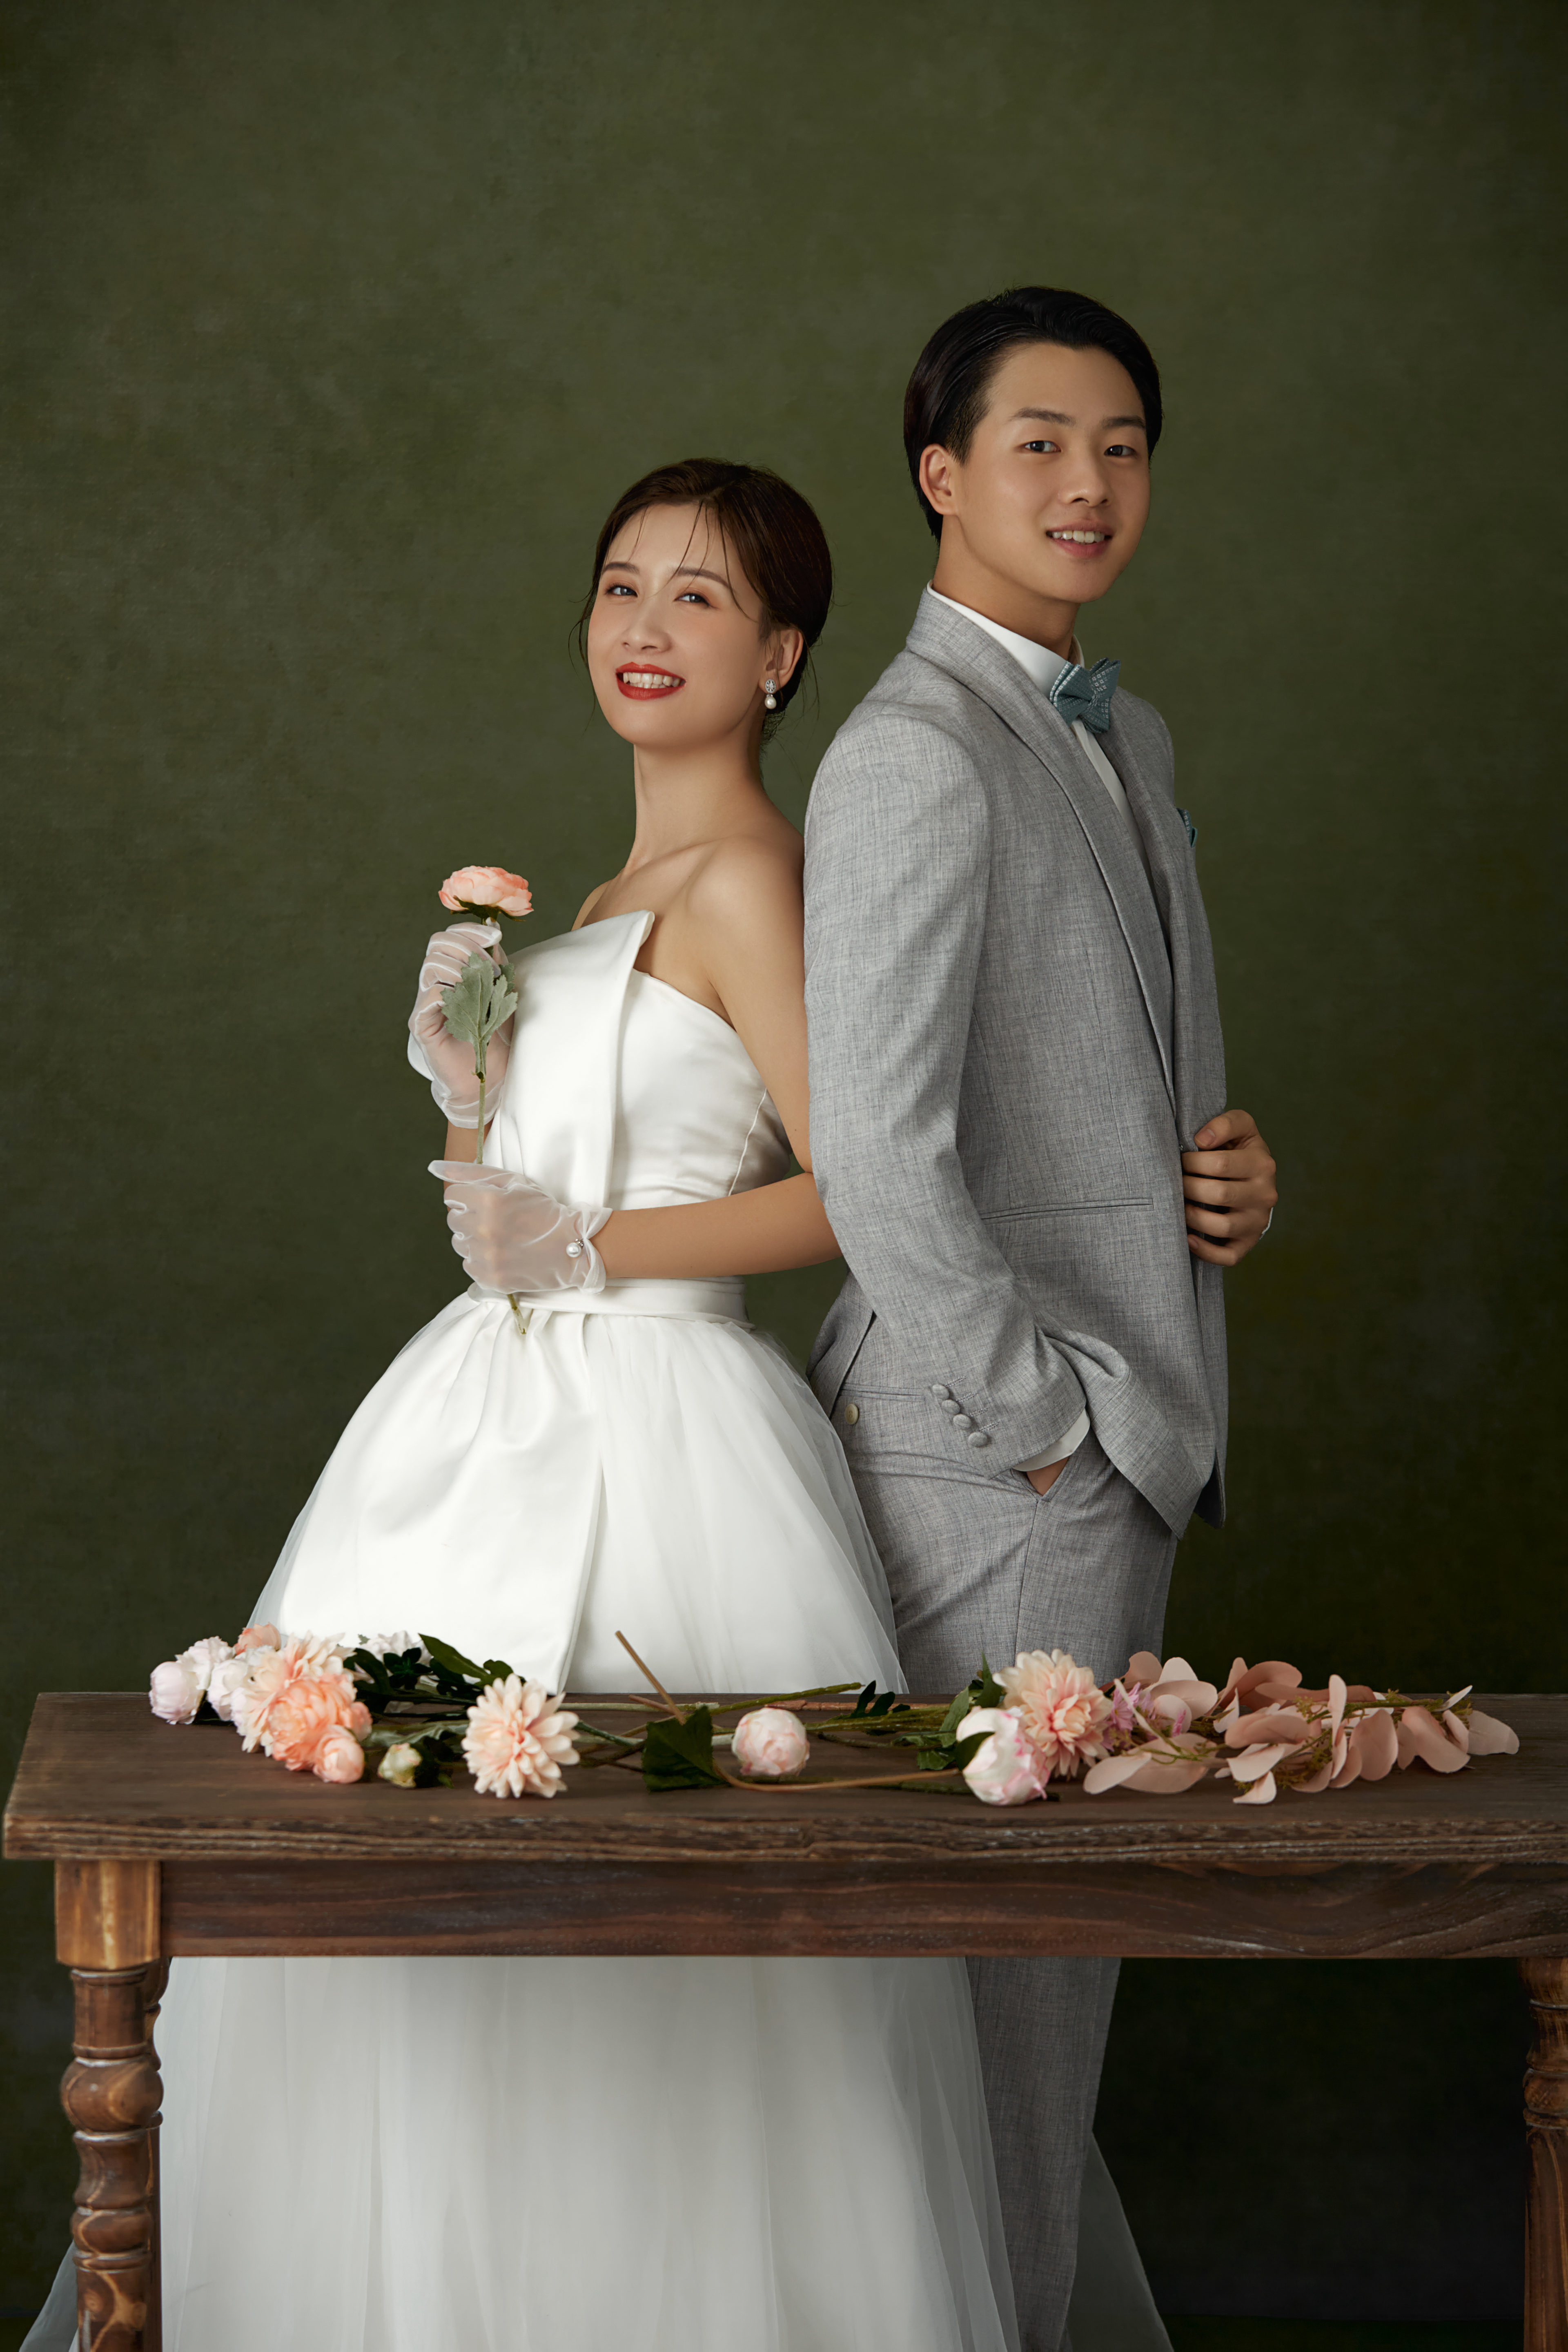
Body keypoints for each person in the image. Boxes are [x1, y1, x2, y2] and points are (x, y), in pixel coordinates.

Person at [25, 460, 1020, 2350]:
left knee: (644, 1933)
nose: (644, 627)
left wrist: (591, 1243)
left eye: (700, 597)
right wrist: (474, 1094)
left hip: (664, 1437)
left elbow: (859, 1196)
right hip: (479, 1417)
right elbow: (506, 1223)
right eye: (621, 585)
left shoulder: (752, 878)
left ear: (784, 653)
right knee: (401, 1899)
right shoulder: (604, 893)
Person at [802, 289, 1279, 2352]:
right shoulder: (913, 751)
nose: (1090, 485)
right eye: (1039, 444)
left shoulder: (1122, 732)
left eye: (1124, 446)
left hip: (1106, 1433)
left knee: (1038, 2020)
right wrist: (1055, 1428)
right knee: (986, 2024)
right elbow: (881, 1159)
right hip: (1000, 1462)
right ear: (943, 474)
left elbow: (1079, 1083)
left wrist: (1216, 1173)